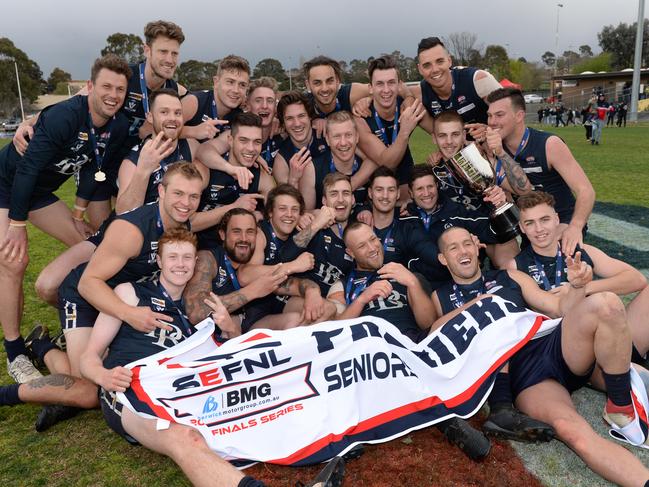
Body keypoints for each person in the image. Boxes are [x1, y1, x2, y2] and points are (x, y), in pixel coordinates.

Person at [433, 226, 649, 485]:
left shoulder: (510, 276)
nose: (462, 251)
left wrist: (578, 288)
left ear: (477, 247)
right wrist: (482, 304)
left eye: (466, 243)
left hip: (549, 344)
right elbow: (435, 334)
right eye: (453, 247)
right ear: (443, 258)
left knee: (607, 304)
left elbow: (559, 308)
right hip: (526, 377)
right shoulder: (440, 295)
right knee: (573, 433)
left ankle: (620, 405)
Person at [0, 55, 131, 383]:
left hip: (40, 193)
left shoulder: (115, 125)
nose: (112, 94)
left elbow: (92, 168)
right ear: (89, 87)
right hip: (7, 186)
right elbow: (27, 168)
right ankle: (16, 351)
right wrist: (17, 225)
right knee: (13, 261)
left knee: (90, 246)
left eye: (120, 89)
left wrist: (75, 213)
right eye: (106, 87)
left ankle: (82, 323)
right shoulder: (66, 115)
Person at [326, 221, 491, 460]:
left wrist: (412, 282)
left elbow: (427, 322)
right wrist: (362, 299)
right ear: (350, 253)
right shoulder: (344, 285)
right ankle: (446, 421)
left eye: (373, 239)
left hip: (411, 345)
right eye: (362, 245)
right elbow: (336, 331)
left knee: (409, 352)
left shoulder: (405, 273)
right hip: (369, 353)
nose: (373, 247)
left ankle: (441, 420)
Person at [509, 191, 649, 364]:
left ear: (556, 219)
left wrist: (583, 288)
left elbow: (637, 280)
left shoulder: (580, 250)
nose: (539, 229)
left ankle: (628, 359)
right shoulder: (515, 266)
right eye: (530, 223)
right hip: (566, 351)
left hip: (606, 337)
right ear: (522, 228)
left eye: (545, 220)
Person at [486, 88, 595, 256]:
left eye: (499, 115)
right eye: (490, 115)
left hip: (561, 223)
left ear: (519, 116)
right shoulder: (494, 149)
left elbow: (586, 190)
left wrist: (575, 227)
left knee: (562, 274)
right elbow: (517, 192)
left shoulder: (549, 144)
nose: (492, 122)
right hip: (530, 228)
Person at [183, 208, 329, 332]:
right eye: (236, 231)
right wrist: (253, 291)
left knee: (312, 314)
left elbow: (293, 284)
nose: (244, 238)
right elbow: (196, 312)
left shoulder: (257, 263)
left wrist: (312, 291)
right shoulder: (208, 259)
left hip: (250, 330)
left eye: (250, 232)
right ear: (222, 234)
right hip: (212, 341)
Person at [116, 88, 204, 214]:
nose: (172, 118)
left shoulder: (191, 146)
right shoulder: (133, 162)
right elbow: (124, 213)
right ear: (150, 117)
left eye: (178, 113)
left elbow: (212, 155)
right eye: (164, 112)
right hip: (139, 230)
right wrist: (143, 172)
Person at [195, 112, 275, 249]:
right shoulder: (206, 169)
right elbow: (185, 222)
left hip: (240, 250)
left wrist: (260, 215)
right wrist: (234, 208)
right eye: (243, 140)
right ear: (230, 141)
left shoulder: (262, 177)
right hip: (202, 247)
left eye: (257, 142)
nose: (251, 148)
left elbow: (277, 212)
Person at [355, 55, 423, 201]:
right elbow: (387, 163)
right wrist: (404, 131)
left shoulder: (408, 106)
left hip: (405, 173)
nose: (386, 90)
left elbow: (437, 127)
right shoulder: (361, 117)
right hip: (375, 183)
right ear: (370, 88)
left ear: (399, 85)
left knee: (409, 210)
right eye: (379, 84)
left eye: (391, 83)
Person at [412, 36, 501, 138]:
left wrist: (488, 130)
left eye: (440, 61)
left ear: (449, 61)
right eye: (427, 65)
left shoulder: (478, 79)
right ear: (419, 69)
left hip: (497, 145)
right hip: (460, 151)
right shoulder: (420, 93)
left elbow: (510, 114)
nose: (435, 69)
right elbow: (403, 92)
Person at [300, 110, 377, 210]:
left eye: (348, 135)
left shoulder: (368, 165)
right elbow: (306, 216)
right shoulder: (312, 170)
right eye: (337, 136)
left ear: (357, 137)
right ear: (327, 139)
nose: (343, 142)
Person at [181, 55, 249, 142]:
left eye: (242, 85)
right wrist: (193, 131)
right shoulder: (194, 102)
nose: (236, 90)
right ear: (216, 82)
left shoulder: (239, 114)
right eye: (230, 82)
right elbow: (162, 130)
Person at [272, 91, 329, 187]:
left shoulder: (326, 135)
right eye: (289, 118)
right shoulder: (281, 160)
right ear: (283, 124)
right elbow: (288, 200)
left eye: (301, 116)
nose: (297, 123)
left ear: (310, 117)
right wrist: (293, 179)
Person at [246, 77, 284, 172]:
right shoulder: (236, 136)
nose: (264, 106)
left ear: (275, 107)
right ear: (248, 105)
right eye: (258, 100)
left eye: (270, 101)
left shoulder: (283, 137)